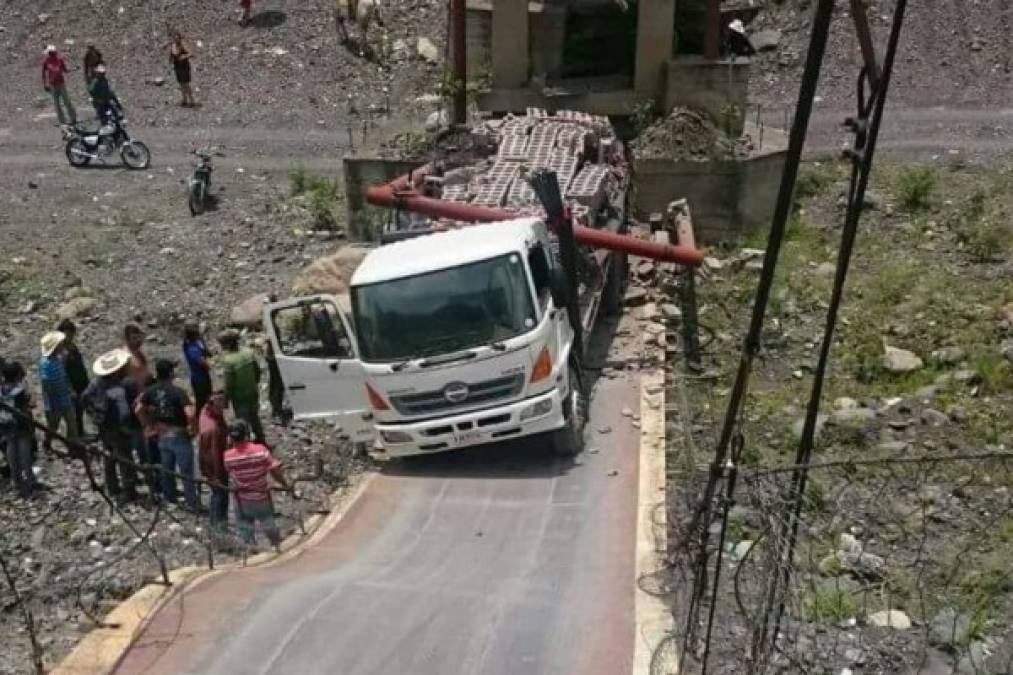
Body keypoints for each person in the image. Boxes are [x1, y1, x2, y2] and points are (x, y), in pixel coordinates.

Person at [137, 359, 201, 512]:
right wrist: (193, 429)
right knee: (186, 472)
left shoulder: (150, 391)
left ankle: (170, 499)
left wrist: (148, 425)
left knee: (167, 469)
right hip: (179, 434)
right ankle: (191, 503)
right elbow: (190, 414)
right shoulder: (178, 392)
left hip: (162, 435)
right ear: (171, 373)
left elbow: (138, 409)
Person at [83, 349, 141, 506]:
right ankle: (129, 491)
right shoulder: (116, 388)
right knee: (124, 459)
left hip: (105, 427)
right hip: (117, 428)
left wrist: (96, 417)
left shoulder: (96, 384)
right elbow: (121, 411)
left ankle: (113, 487)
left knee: (109, 456)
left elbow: (85, 398)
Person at [223, 420, 292, 550]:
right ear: (247, 434)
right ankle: (276, 546)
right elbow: (274, 470)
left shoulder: (227, 456)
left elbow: (230, 472)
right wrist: (285, 484)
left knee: (244, 525)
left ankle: (251, 551)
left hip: (241, 498)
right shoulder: (260, 451)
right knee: (267, 521)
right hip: (260, 495)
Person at [123, 324, 157, 494]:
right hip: (134, 401)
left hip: (145, 398)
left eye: (140, 337)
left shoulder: (139, 353)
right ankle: (142, 470)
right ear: (128, 338)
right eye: (135, 338)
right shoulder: (125, 357)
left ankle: (147, 468)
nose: (139, 341)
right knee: (138, 438)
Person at [218, 330, 266, 444]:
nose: (221, 346)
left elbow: (229, 384)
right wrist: (254, 383)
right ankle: (261, 440)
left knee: (243, 421)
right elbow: (258, 372)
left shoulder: (228, 361)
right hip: (253, 392)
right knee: (255, 417)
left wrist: (225, 400)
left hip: (239, 397)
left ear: (229, 343)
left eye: (223, 343)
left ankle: (247, 445)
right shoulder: (249, 353)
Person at [37, 330, 80, 451]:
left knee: (72, 423)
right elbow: (46, 383)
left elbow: (64, 376)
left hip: (65, 397)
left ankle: (73, 446)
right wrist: (52, 400)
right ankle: (47, 442)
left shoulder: (59, 358)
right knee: (53, 426)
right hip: (54, 402)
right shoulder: (45, 364)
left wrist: (70, 389)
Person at [1, 361, 37, 499]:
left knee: (12, 458)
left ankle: (16, 483)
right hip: (22, 429)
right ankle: (29, 483)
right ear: (17, 376)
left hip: (7, 430)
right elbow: (29, 406)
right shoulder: (19, 392)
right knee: (25, 458)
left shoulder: (2, 390)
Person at [198, 390, 230, 529]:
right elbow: (213, 453)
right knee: (220, 495)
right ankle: (219, 527)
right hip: (216, 466)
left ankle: (216, 524)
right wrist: (216, 475)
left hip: (209, 464)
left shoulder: (207, 412)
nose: (224, 405)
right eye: (221, 402)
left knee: (217, 495)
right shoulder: (213, 428)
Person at [57, 319, 90, 437]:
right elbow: (63, 373)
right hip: (72, 386)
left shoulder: (72, 347)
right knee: (74, 412)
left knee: (80, 410)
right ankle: (75, 436)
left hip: (81, 383)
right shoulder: (61, 352)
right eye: (67, 333)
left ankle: (80, 432)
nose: (69, 336)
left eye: (71, 333)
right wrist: (70, 389)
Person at [42, 45, 77, 126]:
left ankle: (73, 118)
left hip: (61, 83)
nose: (53, 54)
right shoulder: (46, 62)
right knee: (57, 104)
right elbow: (43, 74)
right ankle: (62, 121)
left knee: (67, 101)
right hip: (53, 85)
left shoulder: (59, 60)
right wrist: (45, 84)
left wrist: (73, 69)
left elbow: (65, 70)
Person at [182, 322, 212, 416]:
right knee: (202, 402)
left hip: (202, 376)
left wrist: (202, 341)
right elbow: (203, 363)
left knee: (207, 399)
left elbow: (208, 353)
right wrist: (209, 364)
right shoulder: (192, 348)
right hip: (199, 379)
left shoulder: (195, 344)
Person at [168, 33, 196, 107]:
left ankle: (191, 100)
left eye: (177, 38)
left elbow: (191, 53)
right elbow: (171, 55)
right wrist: (170, 60)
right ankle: (184, 99)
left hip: (184, 66)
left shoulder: (183, 45)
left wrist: (184, 56)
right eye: (175, 38)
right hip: (177, 66)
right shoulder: (173, 46)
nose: (176, 39)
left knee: (186, 83)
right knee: (181, 83)